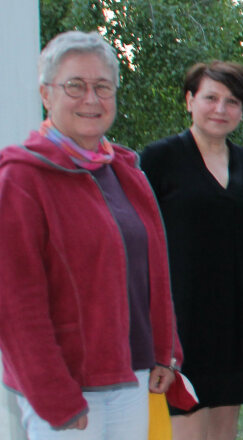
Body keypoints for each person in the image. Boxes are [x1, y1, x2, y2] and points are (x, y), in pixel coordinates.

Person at [0, 30, 180, 439]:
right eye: (75, 86)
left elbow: (152, 272)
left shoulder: (124, 172)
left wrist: (164, 352)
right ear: (47, 94)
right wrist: (54, 395)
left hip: (131, 376)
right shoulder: (21, 178)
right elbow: (13, 304)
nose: (91, 99)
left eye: (103, 87)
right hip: (68, 387)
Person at [139, 61, 243, 440]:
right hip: (179, 324)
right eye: (210, 98)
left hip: (234, 322)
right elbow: (137, 242)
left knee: (223, 432)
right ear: (189, 100)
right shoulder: (158, 159)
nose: (221, 109)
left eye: (232, 101)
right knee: (186, 430)